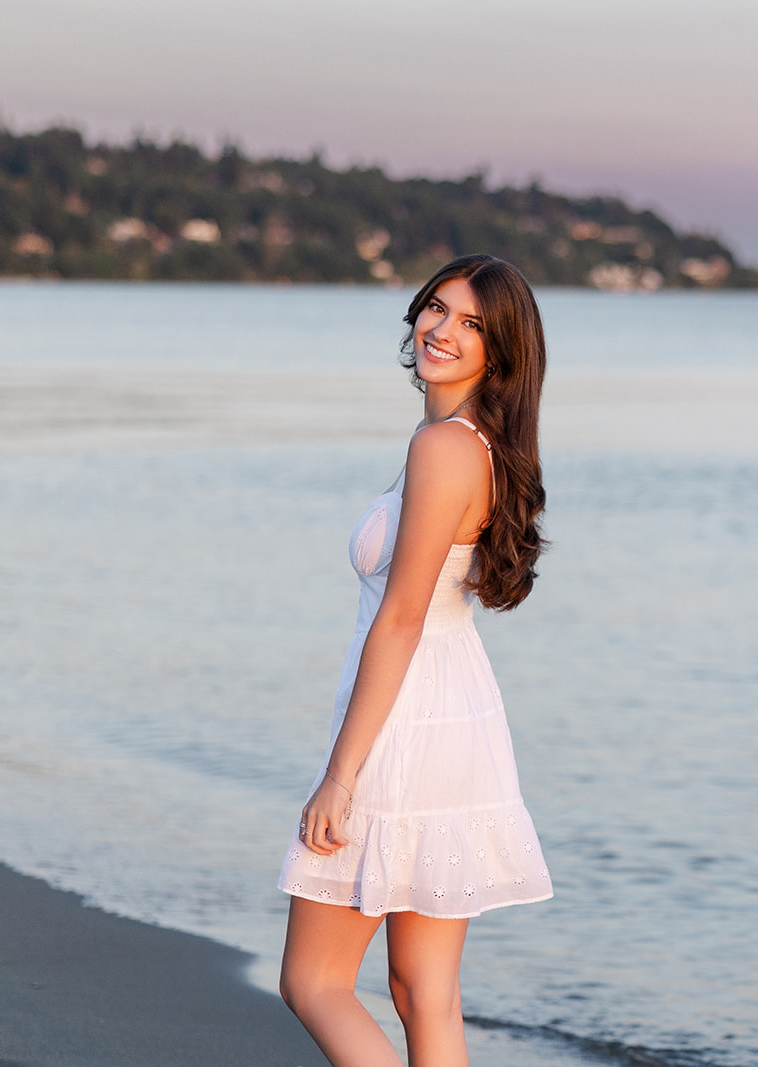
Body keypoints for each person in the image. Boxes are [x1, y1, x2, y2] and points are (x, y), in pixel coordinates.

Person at [277, 254, 553, 1066]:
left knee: (315, 978)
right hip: (456, 715)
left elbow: (399, 618)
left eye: (471, 324)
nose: (442, 329)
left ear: (499, 353)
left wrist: (341, 773)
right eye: (437, 307)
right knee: (423, 990)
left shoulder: (442, 446)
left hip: (406, 724)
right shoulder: (484, 447)